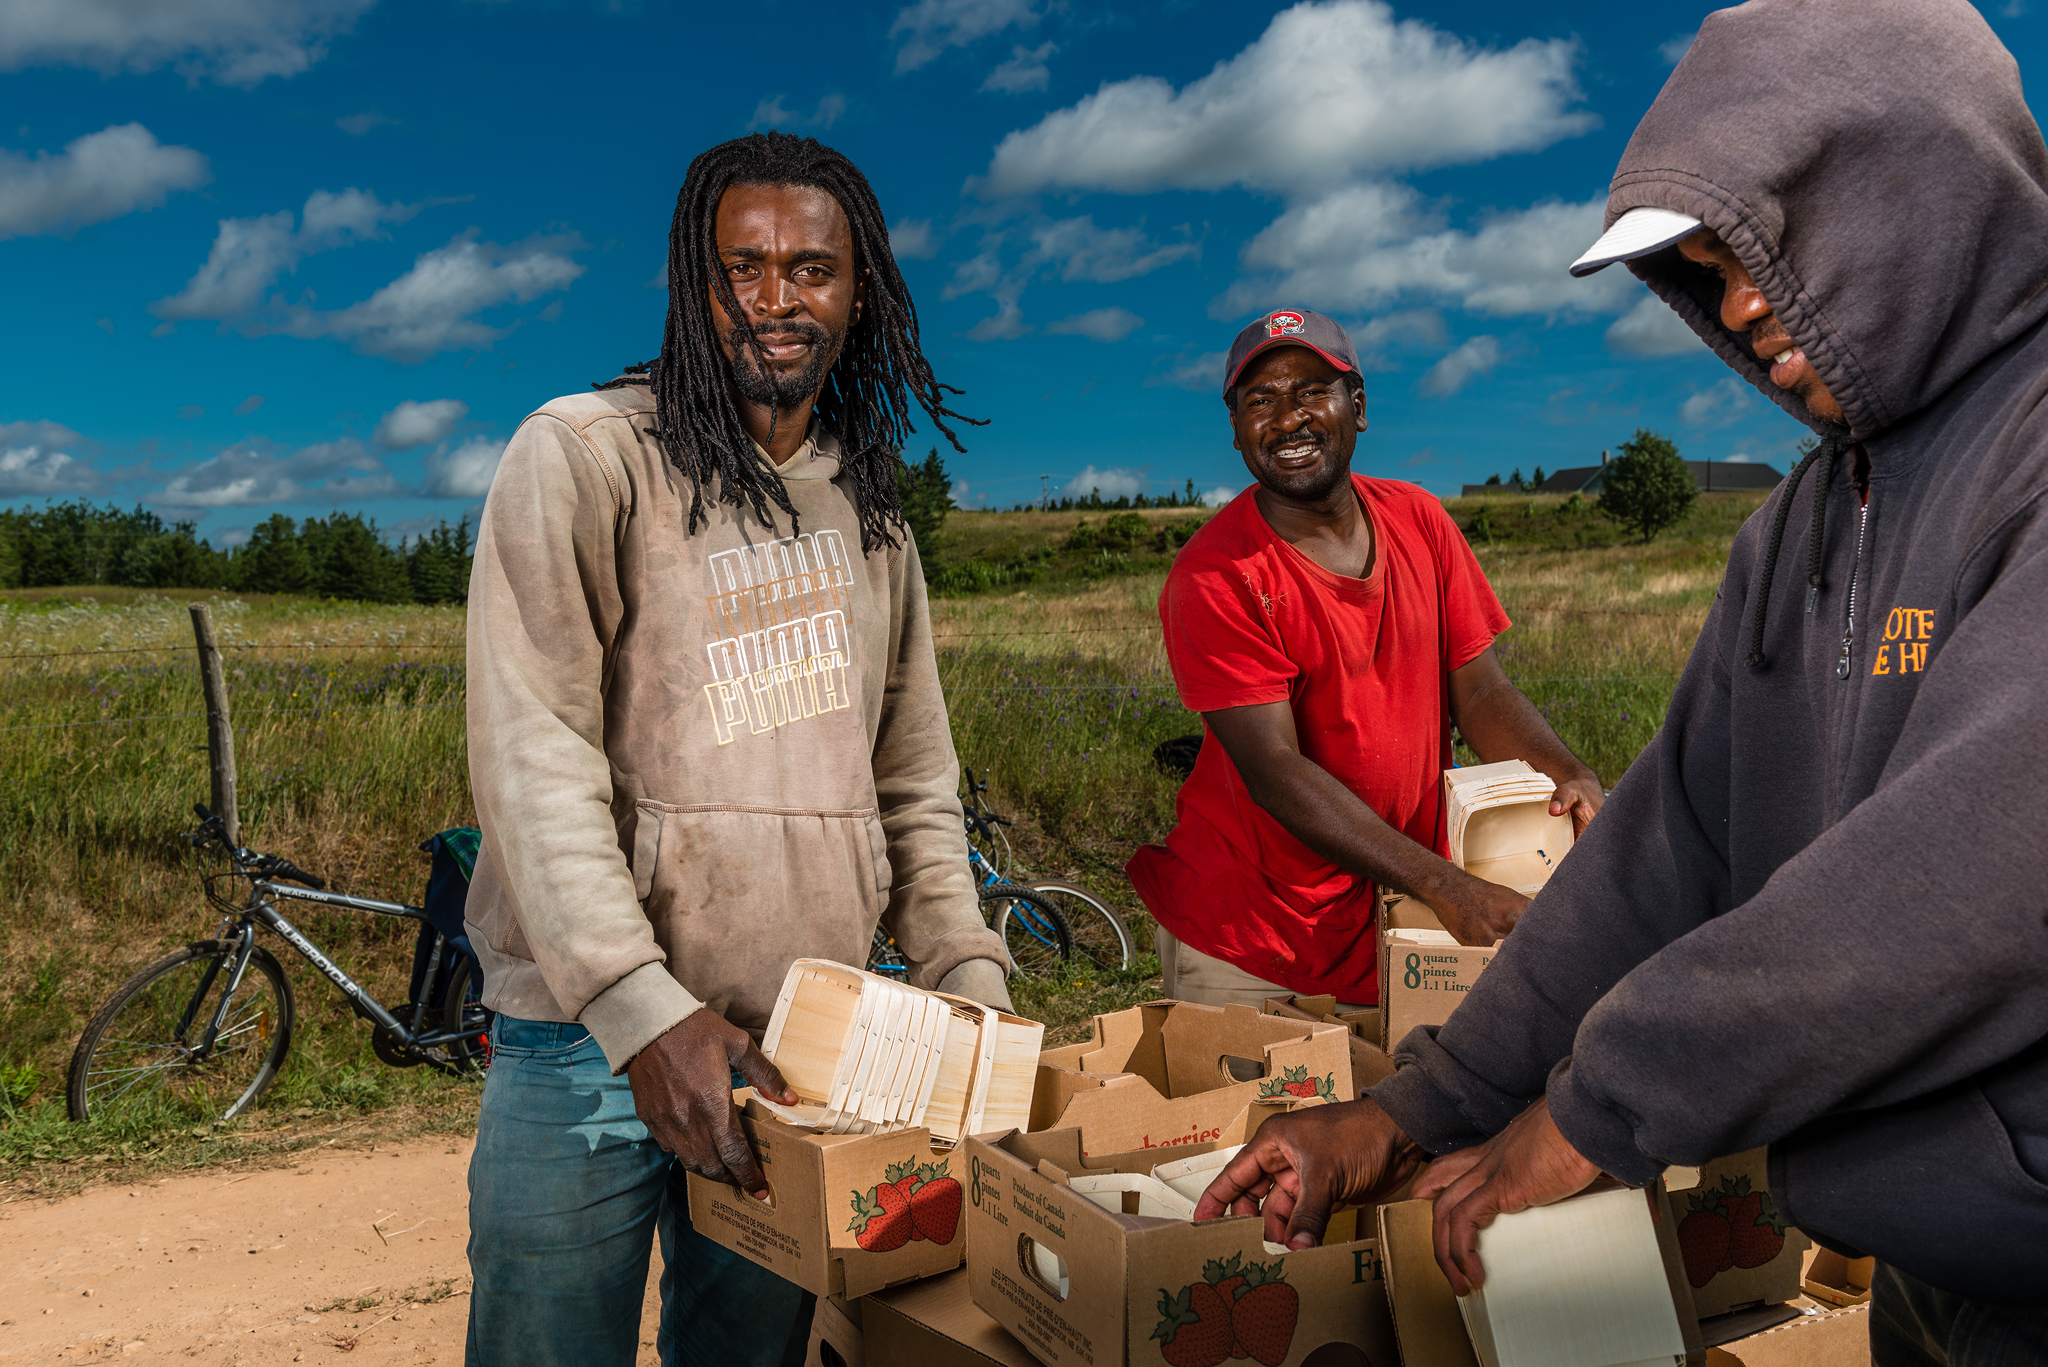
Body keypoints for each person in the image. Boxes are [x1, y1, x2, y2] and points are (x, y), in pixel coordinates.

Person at [1194, 0, 2048, 1357]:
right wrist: (1416, 1105)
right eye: (1707, 271)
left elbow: (1966, 880)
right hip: (1944, 1261)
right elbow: (1666, 851)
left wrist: (1599, 1106)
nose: (1741, 306)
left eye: (1771, 245)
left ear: (1912, 179)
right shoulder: (1801, 532)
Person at [460, 132, 1014, 1367]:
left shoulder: (870, 519)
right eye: (742, 269)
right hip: (583, 1042)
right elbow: (532, 752)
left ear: (857, 289)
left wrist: (968, 977)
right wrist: (641, 1012)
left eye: (811, 269)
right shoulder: (585, 454)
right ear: (691, 286)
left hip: (793, 1053)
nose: (776, 300)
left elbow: (913, 782)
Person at [1126, 308, 1606, 1011]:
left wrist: (1569, 774)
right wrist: (1444, 884)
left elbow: (1478, 694)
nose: (1287, 419)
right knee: (1256, 1122)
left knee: (1403, 1118)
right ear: (1234, 431)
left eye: (1311, 391)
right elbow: (1276, 772)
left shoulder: (1420, 521)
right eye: (1259, 400)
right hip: (1256, 938)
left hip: (1398, 919)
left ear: (1358, 407)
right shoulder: (1216, 574)